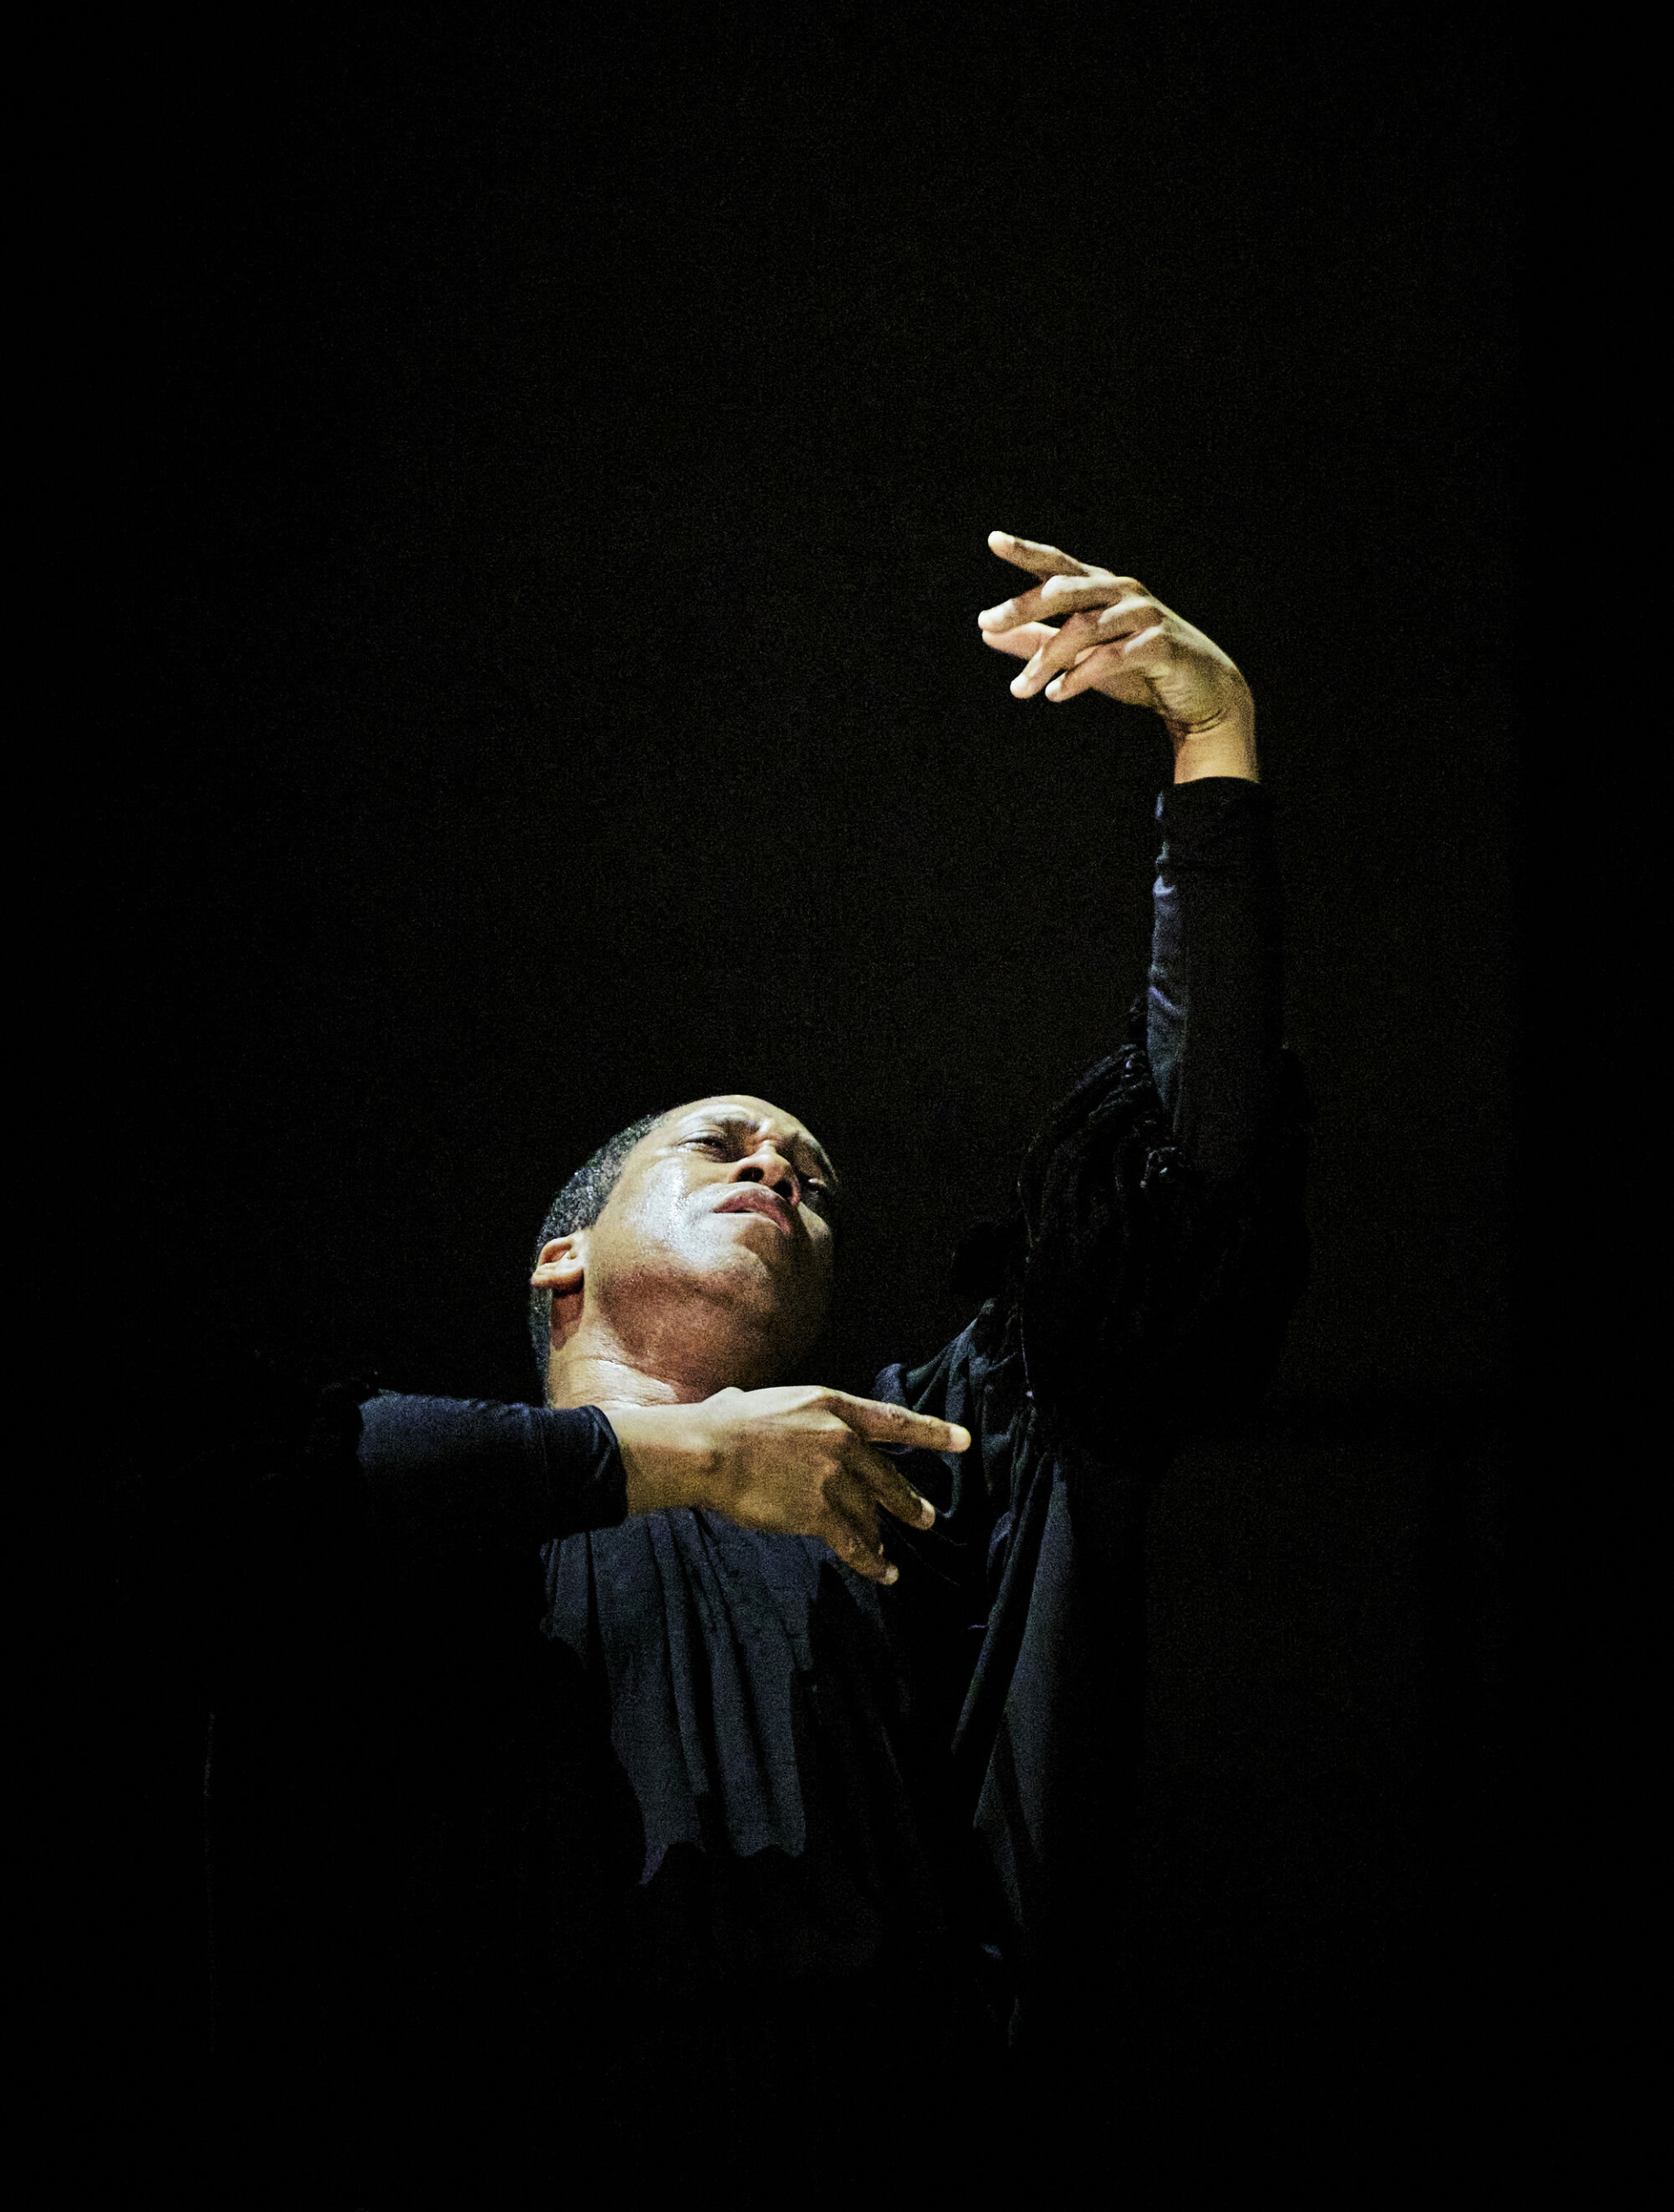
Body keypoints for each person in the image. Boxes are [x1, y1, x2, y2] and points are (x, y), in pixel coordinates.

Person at [173, 532, 1310, 2200]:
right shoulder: (415, 1524)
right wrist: (681, 1461)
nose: (782, 1169)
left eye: (813, 1176)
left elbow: (1167, 1218)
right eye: (722, 1145)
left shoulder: (912, 1487)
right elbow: (227, 1473)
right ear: (560, 1256)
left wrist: (1212, 755)